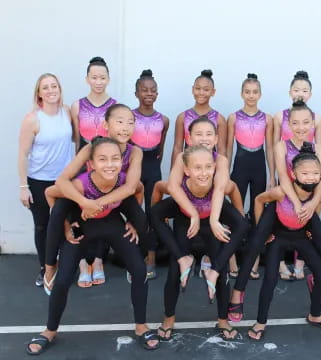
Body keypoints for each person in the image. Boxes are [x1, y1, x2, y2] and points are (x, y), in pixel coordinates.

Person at [26, 137, 160, 355]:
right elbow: (50, 193)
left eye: (115, 159)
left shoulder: (125, 181)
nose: (110, 164)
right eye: (103, 159)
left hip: (113, 224)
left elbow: (138, 191)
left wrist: (132, 222)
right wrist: (67, 226)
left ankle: (141, 326)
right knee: (63, 279)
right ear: (92, 164)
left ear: (121, 161)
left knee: (138, 269)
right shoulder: (81, 183)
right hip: (83, 226)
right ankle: (50, 330)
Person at [151, 145, 248, 341]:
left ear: (214, 167)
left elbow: (231, 191)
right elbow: (159, 192)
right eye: (197, 168)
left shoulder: (221, 183)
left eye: (208, 167)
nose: (204, 173)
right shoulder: (178, 186)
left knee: (240, 232)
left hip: (211, 224)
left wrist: (220, 220)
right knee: (173, 271)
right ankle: (169, 318)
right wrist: (162, 230)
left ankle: (222, 318)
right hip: (186, 222)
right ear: (186, 170)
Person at [43, 104, 144, 291]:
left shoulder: (134, 151)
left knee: (139, 216)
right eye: (120, 122)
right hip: (84, 194)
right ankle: (50, 267)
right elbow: (60, 182)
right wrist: (84, 202)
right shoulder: (92, 147)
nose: (125, 127)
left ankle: (122, 263)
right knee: (58, 211)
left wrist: (128, 218)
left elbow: (133, 187)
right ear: (106, 125)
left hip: (113, 196)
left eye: (130, 123)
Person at [244, 147, 321, 340]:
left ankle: (315, 315)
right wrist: (262, 230)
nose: (311, 178)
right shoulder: (280, 192)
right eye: (305, 173)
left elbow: (315, 210)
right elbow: (259, 200)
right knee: (270, 279)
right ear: (293, 174)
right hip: (279, 237)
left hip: (301, 236)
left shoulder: (318, 195)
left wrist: (310, 226)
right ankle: (260, 322)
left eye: (315, 174)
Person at [18, 73, 75, 287]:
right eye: (45, 87)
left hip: (64, 181)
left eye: (54, 86)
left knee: (65, 223)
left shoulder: (67, 112)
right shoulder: (32, 119)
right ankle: (46, 267)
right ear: (39, 93)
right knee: (43, 226)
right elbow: (22, 154)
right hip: (39, 181)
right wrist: (24, 187)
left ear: (59, 89)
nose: (51, 90)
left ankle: (65, 266)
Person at [273, 71, 321, 279]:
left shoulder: (317, 118)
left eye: (304, 90)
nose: (300, 94)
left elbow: (319, 150)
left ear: (310, 94)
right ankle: (280, 264)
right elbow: (275, 145)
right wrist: (273, 175)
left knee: (306, 219)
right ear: (289, 92)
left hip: (309, 178)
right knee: (282, 218)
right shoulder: (280, 116)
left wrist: (313, 200)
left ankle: (300, 262)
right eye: (296, 90)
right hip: (286, 175)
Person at [226, 73, 275, 279]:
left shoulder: (267, 118)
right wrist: (224, 173)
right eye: (247, 92)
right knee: (235, 214)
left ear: (260, 94)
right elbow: (228, 148)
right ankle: (231, 260)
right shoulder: (234, 117)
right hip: (239, 165)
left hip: (258, 168)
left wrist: (272, 175)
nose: (251, 95)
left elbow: (270, 149)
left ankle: (254, 261)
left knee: (258, 215)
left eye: (255, 92)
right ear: (241, 94)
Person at [131, 69, 169, 278]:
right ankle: (136, 254)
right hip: (134, 169)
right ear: (136, 93)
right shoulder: (130, 117)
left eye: (153, 90)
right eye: (144, 90)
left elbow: (160, 149)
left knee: (153, 213)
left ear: (157, 93)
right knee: (134, 212)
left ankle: (151, 256)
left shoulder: (163, 120)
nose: (149, 93)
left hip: (152, 169)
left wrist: (154, 169)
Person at [171, 69, 227, 165]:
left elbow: (221, 149)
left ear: (213, 92)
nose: (201, 93)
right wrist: (174, 172)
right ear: (193, 89)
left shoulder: (219, 119)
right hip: (188, 167)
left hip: (209, 170)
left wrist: (220, 172)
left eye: (206, 89)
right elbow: (177, 147)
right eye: (198, 88)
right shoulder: (182, 117)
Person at [71, 56, 116, 150]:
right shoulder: (77, 106)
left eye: (103, 78)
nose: (98, 82)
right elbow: (77, 140)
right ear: (87, 79)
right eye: (94, 78)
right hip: (84, 155)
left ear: (108, 79)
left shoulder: (115, 106)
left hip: (107, 155)